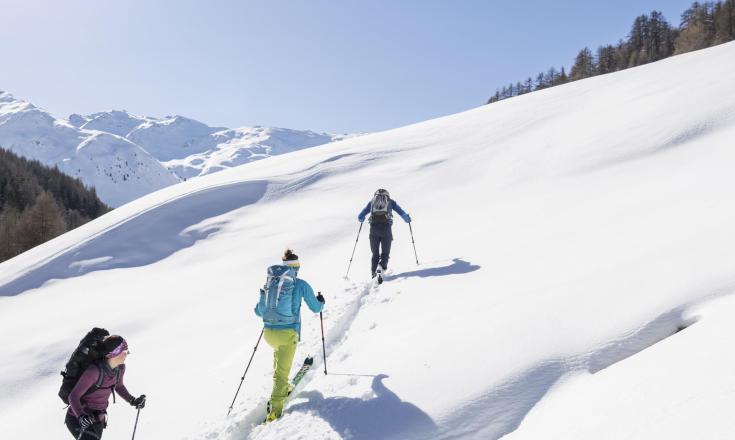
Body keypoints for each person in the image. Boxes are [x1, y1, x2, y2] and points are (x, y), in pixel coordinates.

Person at [255, 249, 325, 422]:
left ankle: (281, 386)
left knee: (279, 360)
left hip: (269, 333)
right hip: (287, 334)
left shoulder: (271, 283)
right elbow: (316, 308)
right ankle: (275, 411)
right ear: (296, 268)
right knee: (282, 373)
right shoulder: (300, 284)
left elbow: (258, 311)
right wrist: (321, 301)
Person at [65, 335, 146, 439]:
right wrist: (81, 417)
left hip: (98, 420)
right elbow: (73, 396)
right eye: (125, 351)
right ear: (115, 353)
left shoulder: (120, 368)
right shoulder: (94, 371)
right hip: (77, 418)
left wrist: (133, 400)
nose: (127, 354)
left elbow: (119, 386)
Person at [357, 189, 411, 278]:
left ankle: (374, 275)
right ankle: (381, 267)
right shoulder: (391, 202)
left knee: (375, 254)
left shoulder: (371, 202)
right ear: (387, 195)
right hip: (386, 229)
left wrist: (362, 219)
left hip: (373, 230)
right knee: (385, 253)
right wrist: (407, 219)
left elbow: (360, 216)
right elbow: (401, 212)